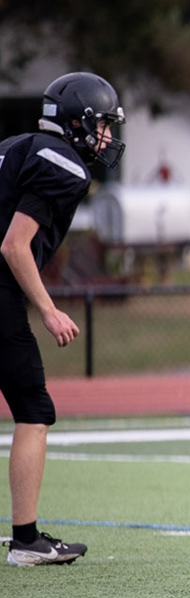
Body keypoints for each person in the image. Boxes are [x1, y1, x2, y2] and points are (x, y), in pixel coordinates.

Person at [2, 72, 124, 567]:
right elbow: (14, 245)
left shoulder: (15, 146)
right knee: (34, 410)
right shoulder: (65, 165)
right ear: (76, 124)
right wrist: (49, 309)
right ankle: (27, 539)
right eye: (103, 126)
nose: (109, 138)